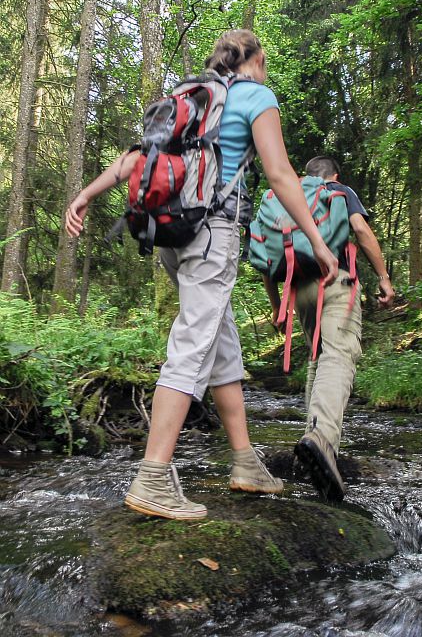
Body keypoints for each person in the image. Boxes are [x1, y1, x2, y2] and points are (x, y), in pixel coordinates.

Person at [65, 30, 338, 520]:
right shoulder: (256, 96)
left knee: (220, 341)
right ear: (256, 58)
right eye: (265, 59)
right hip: (213, 230)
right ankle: (152, 476)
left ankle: (245, 462)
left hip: (172, 232)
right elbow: (279, 174)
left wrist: (85, 195)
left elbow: (133, 160)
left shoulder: (188, 98)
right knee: (194, 343)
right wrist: (316, 240)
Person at [263, 156, 395, 502]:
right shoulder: (338, 190)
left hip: (299, 290)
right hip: (334, 282)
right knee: (339, 355)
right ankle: (321, 440)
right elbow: (362, 232)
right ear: (334, 175)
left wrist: (277, 304)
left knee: (319, 358)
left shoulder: (286, 195)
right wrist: (383, 278)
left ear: (307, 176)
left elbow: (266, 254)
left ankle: (313, 439)